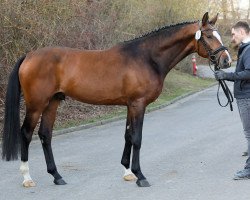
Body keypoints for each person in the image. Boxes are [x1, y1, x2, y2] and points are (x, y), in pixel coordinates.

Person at [214, 21, 250, 180]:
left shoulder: (248, 50)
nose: (232, 37)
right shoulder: (245, 49)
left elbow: (248, 73)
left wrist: (226, 76)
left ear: (242, 32)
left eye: (234, 33)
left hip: (247, 97)